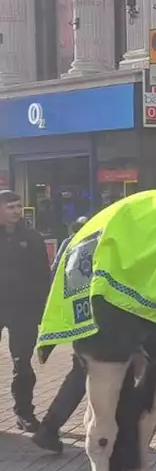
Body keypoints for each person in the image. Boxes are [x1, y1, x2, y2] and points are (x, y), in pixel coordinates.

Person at [29, 216, 91, 454]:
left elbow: (56, 278)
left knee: (84, 374)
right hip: (107, 321)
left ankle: (49, 428)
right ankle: (49, 428)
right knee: (108, 376)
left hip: (83, 318)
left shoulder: (71, 245)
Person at [0, 190, 50, 433]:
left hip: (23, 310)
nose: (16, 212)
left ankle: (24, 412)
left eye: (18, 207)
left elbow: (43, 275)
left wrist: (42, 309)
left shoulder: (32, 238)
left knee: (23, 363)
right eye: (10, 207)